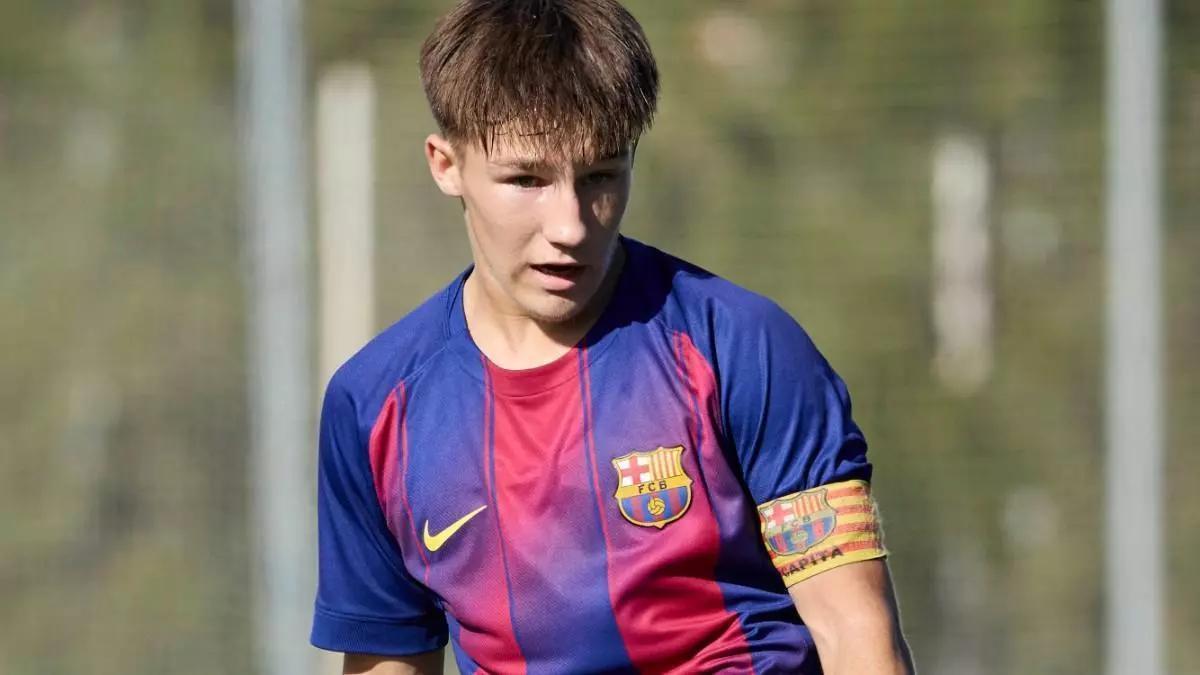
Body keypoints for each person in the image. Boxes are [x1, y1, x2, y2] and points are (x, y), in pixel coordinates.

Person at [310, 1, 915, 673]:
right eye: (526, 179)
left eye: (600, 175)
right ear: (445, 164)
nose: (570, 223)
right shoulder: (374, 408)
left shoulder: (742, 346)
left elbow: (858, 634)